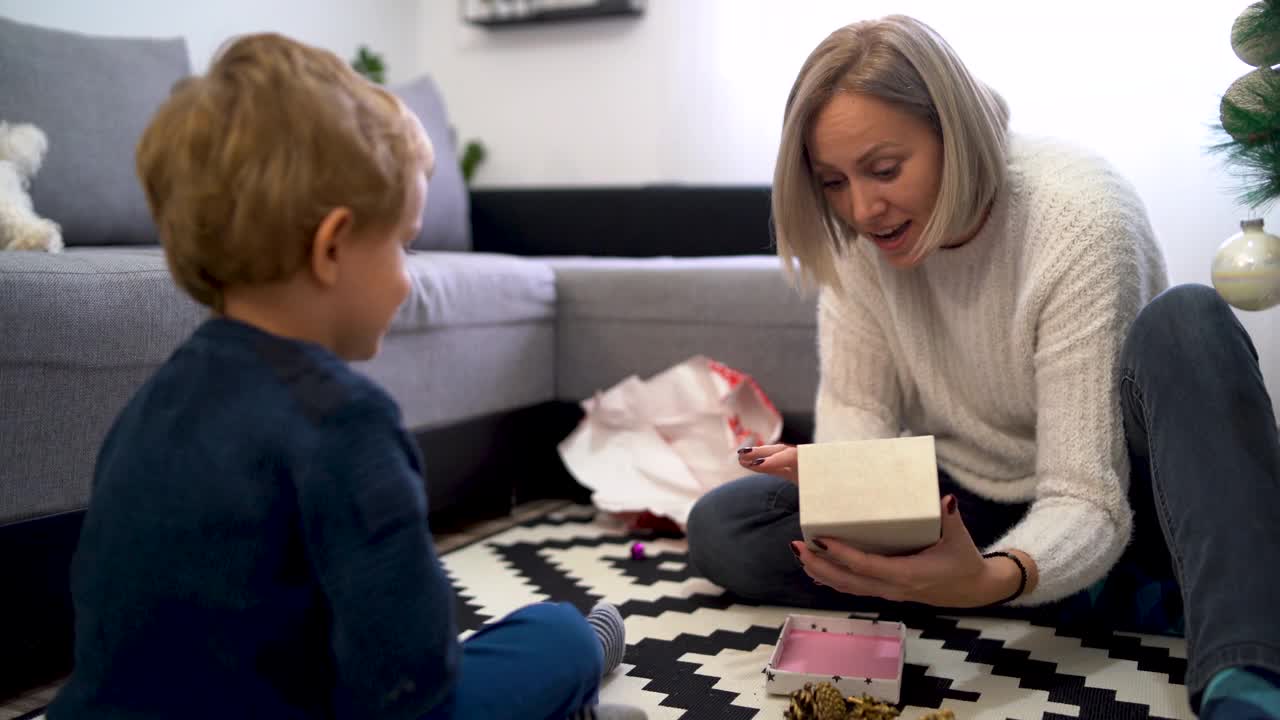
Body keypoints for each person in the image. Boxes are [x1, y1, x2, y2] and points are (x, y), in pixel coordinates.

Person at [686, 14, 1280, 719]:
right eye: (833, 181)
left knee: (1187, 320)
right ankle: (1116, 591)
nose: (862, 208)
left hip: (1115, 492)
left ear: (954, 133)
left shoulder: (1078, 214)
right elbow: (859, 421)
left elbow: (1085, 494)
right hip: (966, 499)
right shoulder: (857, 233)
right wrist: (843, 493)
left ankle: (1240, 665)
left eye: (884, 170)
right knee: (726, 527)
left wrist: (994, 576)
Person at [45, 33, 641, 720]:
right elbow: (415, 691)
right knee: (552, 636)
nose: (407, 276)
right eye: (402, 243)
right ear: (332, 247)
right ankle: (577, 669)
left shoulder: (151, 401)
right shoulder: (346, 422)